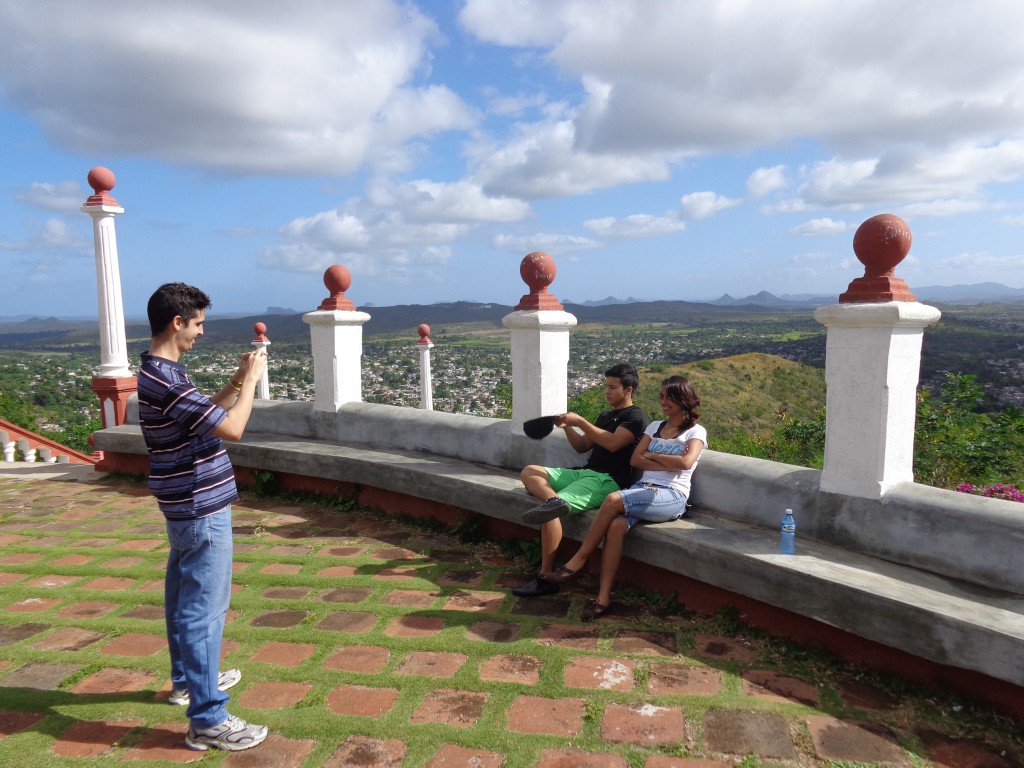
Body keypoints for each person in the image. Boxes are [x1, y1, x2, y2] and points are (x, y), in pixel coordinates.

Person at [137, 283, 269, 752]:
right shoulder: (167, 380)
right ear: (177, 322)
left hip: (184, 505)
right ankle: (208, 718)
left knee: (181, 600)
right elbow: (232, 427)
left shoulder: (160, 373)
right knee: (204, 612)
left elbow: (202, 416)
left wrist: (234, 379)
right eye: (197, 324)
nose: (201, 332)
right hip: (200, 507)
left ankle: (187, 681)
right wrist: (252, 382)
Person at [545, 375, 707, 621]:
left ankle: (579, 559)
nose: (663, 402)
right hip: (642, 490)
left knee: (612, 500)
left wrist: (652, 455)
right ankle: (602, 600)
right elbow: (635, 459)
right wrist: (665, 460)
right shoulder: (655, 427)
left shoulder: (695, 432)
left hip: (672, 496)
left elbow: (685, 463)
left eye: (669, 398)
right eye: (661, 397)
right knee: (616, 527)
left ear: (683, 399)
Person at [512, 363, 648, 598]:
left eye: (612, 387)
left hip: (606, 480)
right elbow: (583, 446)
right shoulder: (606, 415)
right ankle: (553, 500)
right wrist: (567, 427)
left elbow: (613, 443)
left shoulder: (635, 417)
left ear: (628, 390)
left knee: (549, 513)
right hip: (585, 472)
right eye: (606, 386)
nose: (606, 391)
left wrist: (581, 422)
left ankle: (546, 577)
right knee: (530, 471)